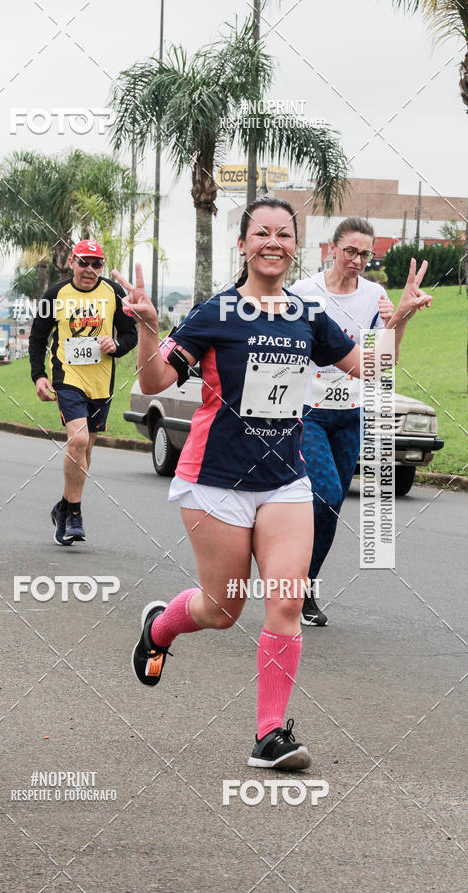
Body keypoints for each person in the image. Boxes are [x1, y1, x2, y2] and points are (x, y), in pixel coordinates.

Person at [114, 198, 431, 770]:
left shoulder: (308, 315)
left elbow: (372, 370)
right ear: (242, 245)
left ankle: (270, 735)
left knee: (285, 600)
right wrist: (147, 328)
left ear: (296, 247)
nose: (273, 242)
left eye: (284, 234)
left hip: (285, 479)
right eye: (261, 232)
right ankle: (159, 628)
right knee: (222, 608)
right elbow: (157, 380)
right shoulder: (216, 312)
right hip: (216, 479)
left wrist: (399, 318)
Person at [289, 218, 397, 626]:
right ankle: (290, 574)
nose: (357, 260)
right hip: (308, 412)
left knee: (331, 507)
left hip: (351, 414)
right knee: (328, 493)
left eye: (365, 254)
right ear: (332, 248)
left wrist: (397, 319)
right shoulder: (304, 292)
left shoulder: (375, 295)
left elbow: (385, 359)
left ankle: (305, 588)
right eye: (350, 250)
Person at [29, 239, 138, 545]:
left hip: (101, 382)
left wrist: (116, 345)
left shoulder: (114, 293)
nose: (90, 269)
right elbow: (38, 337)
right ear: (72, 262)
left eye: (96, 264)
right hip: (68, 377)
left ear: (102, 266)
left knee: (86, 448)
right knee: (77, 440)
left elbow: (130, 334)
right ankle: (74, 514)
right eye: (83, 262)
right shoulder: (55, 295)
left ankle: (63, 507)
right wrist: (39, 376)